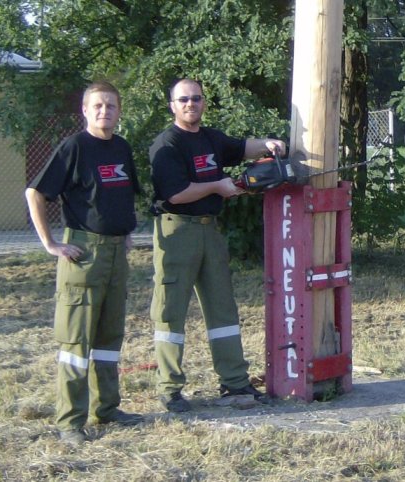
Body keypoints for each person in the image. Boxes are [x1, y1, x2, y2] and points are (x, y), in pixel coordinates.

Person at [149, 78, 286, 412]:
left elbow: (241, 148)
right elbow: (175, 194)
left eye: (196, 98)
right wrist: (216, 187)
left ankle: (234, 382)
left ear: (204, 103)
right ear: (172, 106)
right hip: (177, 230)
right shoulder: (167, 144)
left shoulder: (211, 138)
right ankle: (170, 389)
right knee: (170, 311)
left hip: (209, 230)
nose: (190, 104)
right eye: (183, 99)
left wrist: (268, 145)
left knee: (223, 309)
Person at [25, 81, 143, 446]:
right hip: (83, 254)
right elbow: (35, 192)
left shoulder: (121, 147)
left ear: (119, 111)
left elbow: (121, 196)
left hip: (116, 255)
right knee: (77, 341)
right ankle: (70, 423)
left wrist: (124, 232)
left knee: (109, 337)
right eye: (98, 105)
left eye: (111, 105)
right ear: (85, 110)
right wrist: (51, 244)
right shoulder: (74, 147)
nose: (104, 111)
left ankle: (107, 409)